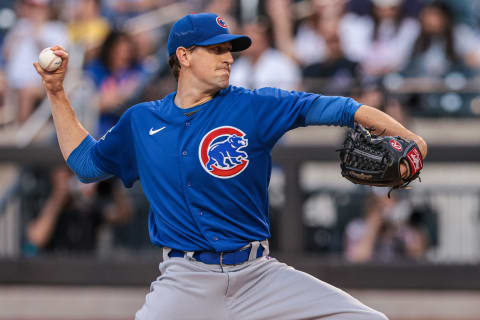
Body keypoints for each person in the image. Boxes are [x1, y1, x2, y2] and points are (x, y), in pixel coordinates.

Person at [34, 13, 427, 320]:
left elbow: (341, 108)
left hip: (260, 277)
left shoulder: (254, 106)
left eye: (230, 50)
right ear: (184, 56)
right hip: (185, 281)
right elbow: (86, 164)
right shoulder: (141, 121)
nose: (228, 57)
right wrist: (55, 92)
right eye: (215, 49)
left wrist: (413, 138)